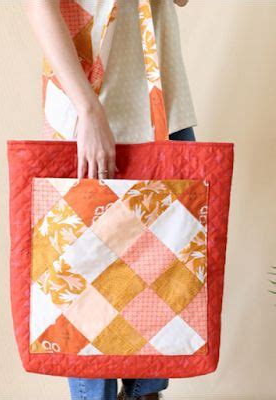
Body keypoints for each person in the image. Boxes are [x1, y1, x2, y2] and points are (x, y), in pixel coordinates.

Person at [25, 0, 196, 399]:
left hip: (163, 112)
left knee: (162, 313)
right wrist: (87, 109)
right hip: (94, 114)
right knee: (90, 314)